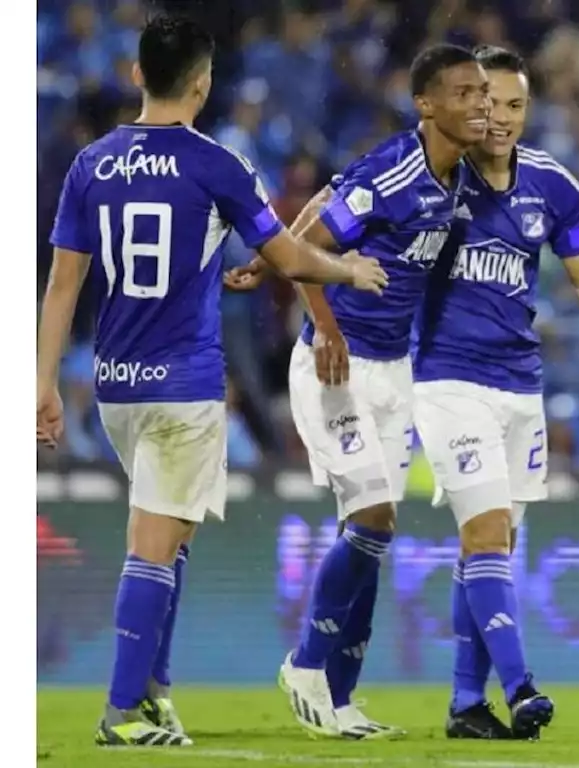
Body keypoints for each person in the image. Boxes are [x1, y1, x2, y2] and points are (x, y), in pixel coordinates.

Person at [35, 15, 387, 748]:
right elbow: (288, 257)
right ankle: (123, 710)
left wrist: (41, 383)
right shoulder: (218, 164)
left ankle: (156, 695)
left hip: (113, 385)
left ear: (138, 75)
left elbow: (63, 284)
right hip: (184, 382)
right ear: (203, 84)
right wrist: (348, 268)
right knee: (155, 545)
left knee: (170, 535)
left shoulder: (91, 164)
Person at [225, 43, 490, 739]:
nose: (480, 105)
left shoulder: (458, 179)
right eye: (464, 93)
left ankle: (339, 700)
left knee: (374, 531)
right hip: (334, 365)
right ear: (426, 104)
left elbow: (320, 199)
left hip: (393, 370)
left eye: (483, 93)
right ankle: (307, 664)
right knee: (372, 515)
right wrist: (326, 328)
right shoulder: (397, 171)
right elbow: (307, 244)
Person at [412, 46, 579, 741]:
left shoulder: (554, 185)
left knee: (494, 546)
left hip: (520, 385)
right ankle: (519, 687)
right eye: (489, 103)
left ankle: (464, 703)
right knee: (486, 531)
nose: (502, 118)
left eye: (516, 105)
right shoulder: (434, 177)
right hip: (449, 379)